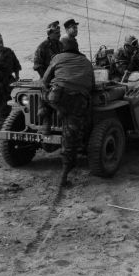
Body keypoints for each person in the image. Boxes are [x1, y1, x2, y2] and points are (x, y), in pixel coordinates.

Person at [42, 36, 94, 187]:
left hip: (57, 98)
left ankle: (46, 117)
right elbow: (92, 86)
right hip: (78, 101)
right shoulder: (86, 62)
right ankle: (64, 176)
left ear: (62, 47)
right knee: (70, 139)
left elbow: (45, 80)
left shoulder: (57, 58)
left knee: (43, 90)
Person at [33, 21, 63, 132]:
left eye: (59, 32)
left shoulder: (61, 45)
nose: (59, 35)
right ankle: (46, 123)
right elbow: (37, 65)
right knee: (46, 97)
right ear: (49, 34)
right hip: (47, 78)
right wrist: (46, 78)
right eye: (56, 33)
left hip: (60, 77)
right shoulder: (43, 46)